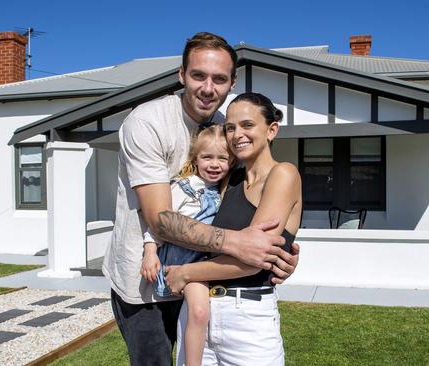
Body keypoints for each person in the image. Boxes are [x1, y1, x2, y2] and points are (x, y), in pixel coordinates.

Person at [102, 32, 300, 366]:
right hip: (145, 284)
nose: (208, 88)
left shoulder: (228, 129)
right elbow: (159, 218)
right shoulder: (148, 121)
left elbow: (248, 201)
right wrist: (237, 244)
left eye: (219, 79)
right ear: (181, 75)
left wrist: (279, 252)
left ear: (232, 83)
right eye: (198, 76)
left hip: (203, 281)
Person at [166, 92, 303, 365]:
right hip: (199, 310)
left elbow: (254, 260)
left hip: (248, 320)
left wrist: (184, 272)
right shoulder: (228, 179)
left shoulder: (283, 174)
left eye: (247, 125)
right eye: (230, 127)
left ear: (271, 130)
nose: (237, 134)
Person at [140, 125, 233, 366]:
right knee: (200, 312)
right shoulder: (184, 188)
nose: (215, 164)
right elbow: (160, 223)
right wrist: (150, 252)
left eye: (222, 158)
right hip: (185, 265)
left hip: (209, 264)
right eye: (207, 157)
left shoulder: (226, 191)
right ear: (195, 158)